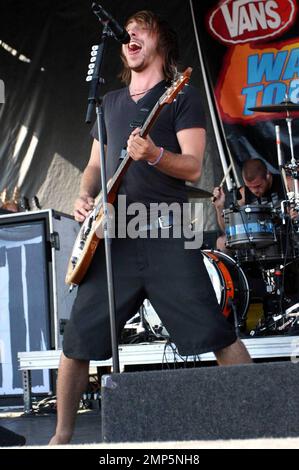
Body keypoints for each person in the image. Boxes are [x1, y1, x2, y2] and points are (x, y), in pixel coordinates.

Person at [49, 10, 251, 446]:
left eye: (141, 28)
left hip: (166, 232)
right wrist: (85, 194)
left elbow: (194, 168)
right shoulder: (110, 104)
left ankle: (260, 422)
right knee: (77, 339)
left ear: (160, 41)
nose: (130, 34)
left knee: (217, 333)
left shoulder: (182, 96)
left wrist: (156, 154)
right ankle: (61, 439)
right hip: (114, 237)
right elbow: (94, 166)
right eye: (127, 31)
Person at [212, 158, 289, 251]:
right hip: (257, 240)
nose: (254, 191)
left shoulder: (287, 183)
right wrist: (219, 207)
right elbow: (229, 231)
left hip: (286, 234)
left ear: (268, 175)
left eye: (258, 186)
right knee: (221, 242)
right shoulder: (243, 193)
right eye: (250, 187)